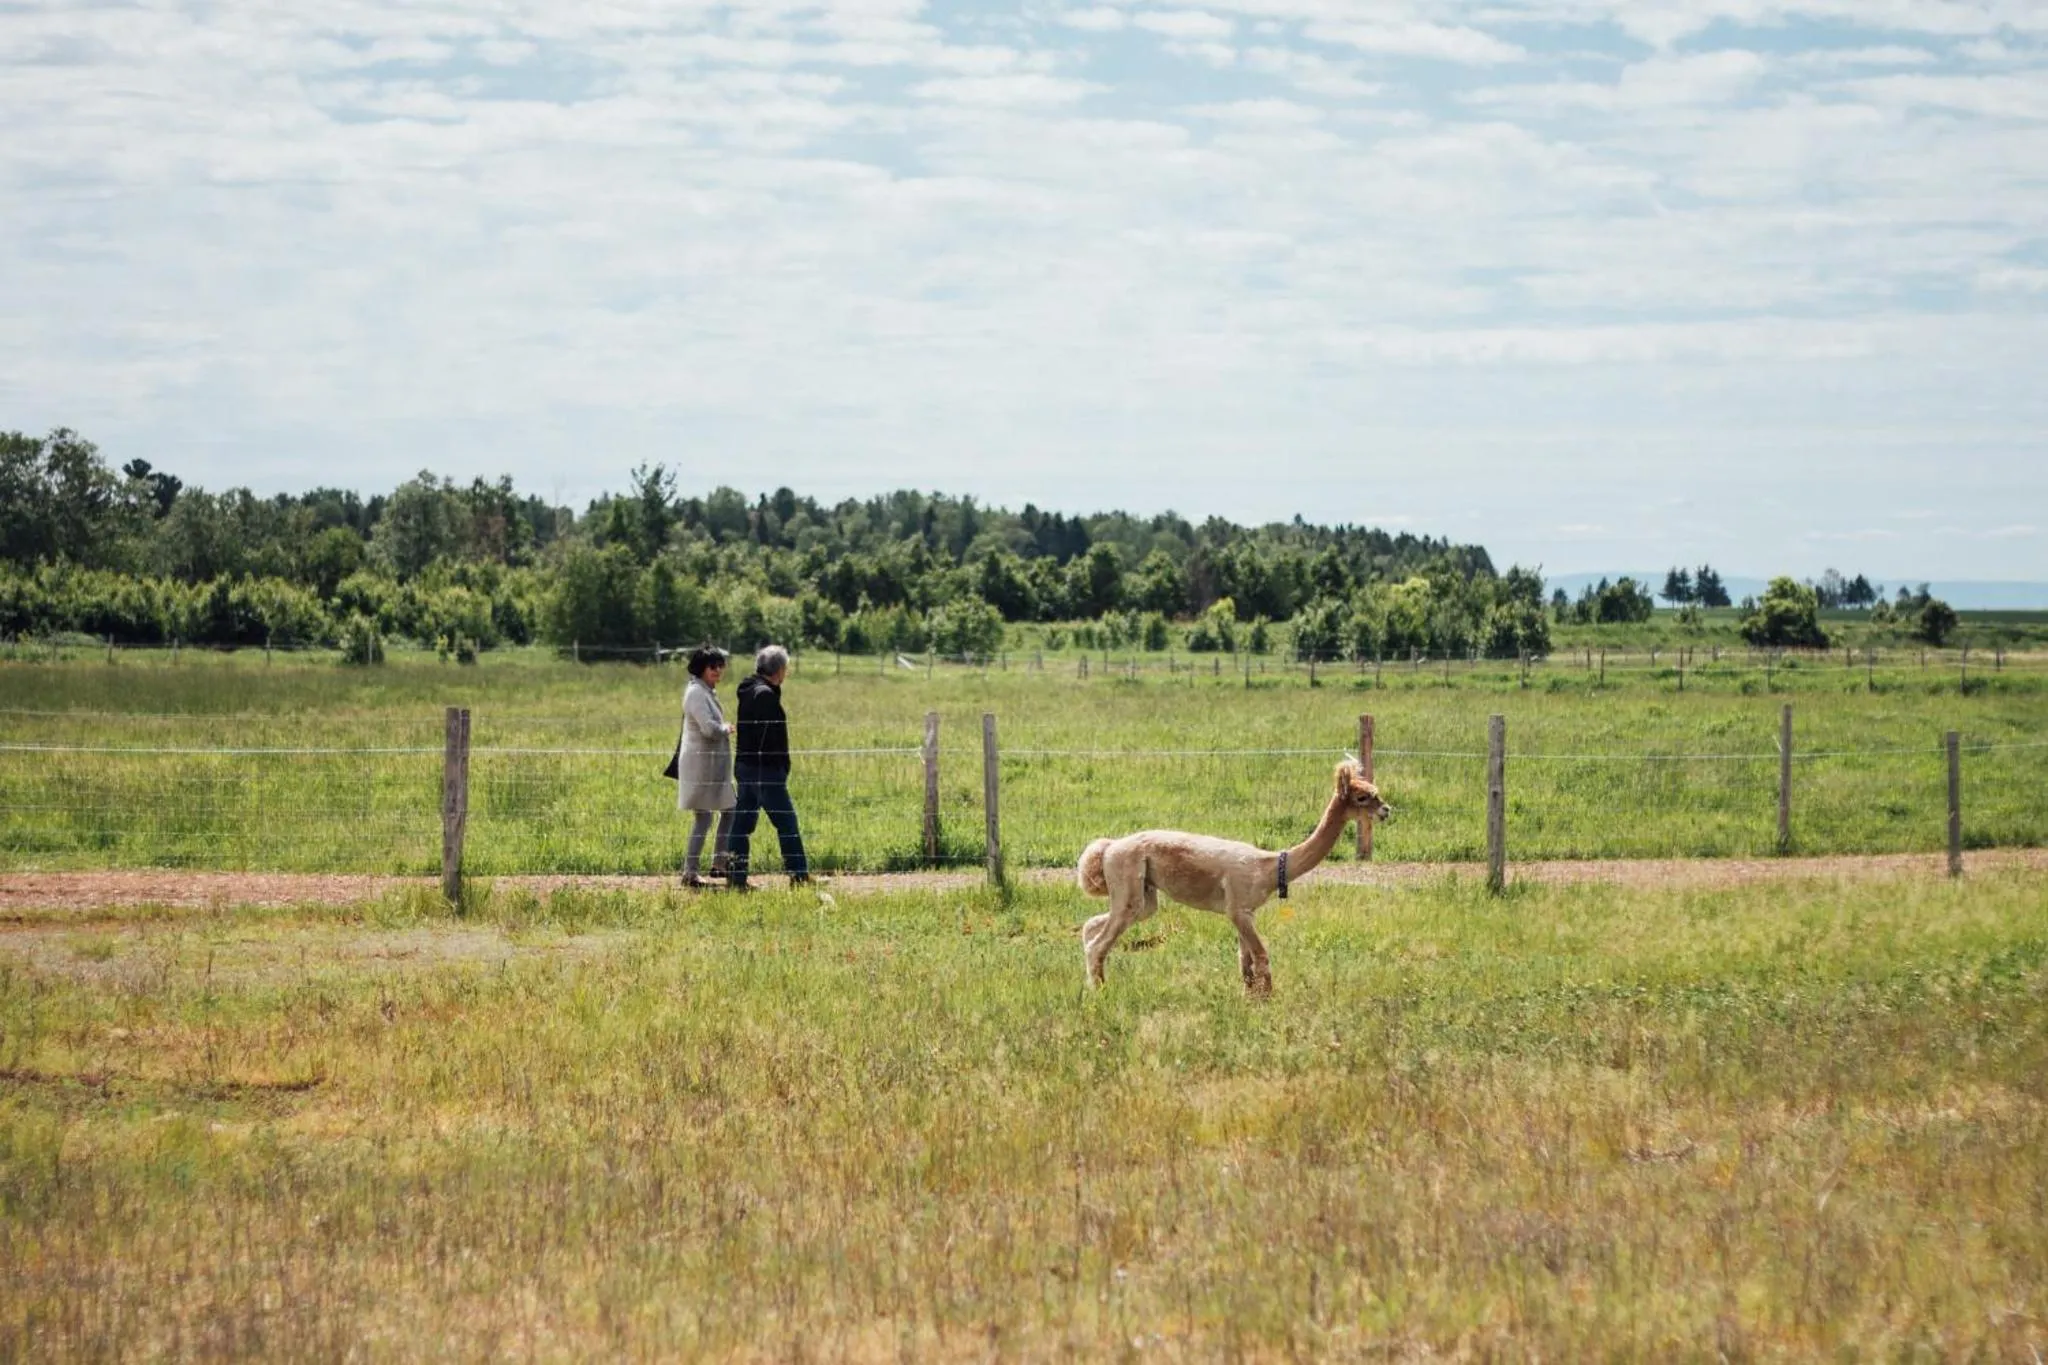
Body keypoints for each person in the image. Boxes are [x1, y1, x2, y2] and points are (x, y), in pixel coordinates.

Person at [728, 643, 811, 890]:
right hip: (765, 772)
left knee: (741, 826)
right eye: (785, 668)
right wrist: (780, 767)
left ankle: (736, 878)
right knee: (787, 823)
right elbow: (769, 738)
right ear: (779, 670)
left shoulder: (748, 690)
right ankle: (799, 876)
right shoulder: (765, 696)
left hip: (745, 767)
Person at [667, 645, 737, 888]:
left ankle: (718, 864)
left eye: (720, 666)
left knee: (727, 810)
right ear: (701, 668)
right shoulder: (696, 693)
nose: (718, 670)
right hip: (700, 767)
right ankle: (692, 873)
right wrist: (725, 728)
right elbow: (708, 728)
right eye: (712, 666)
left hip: (709, 766)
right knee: (705, 817)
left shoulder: (704, 690)